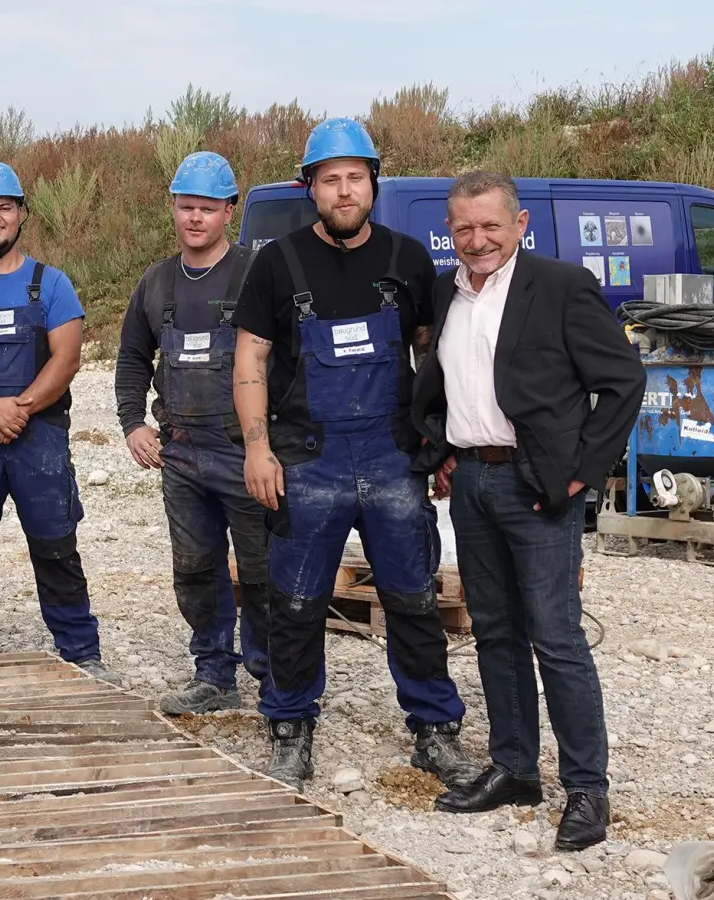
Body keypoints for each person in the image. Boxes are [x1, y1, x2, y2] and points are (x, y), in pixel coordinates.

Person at [231, 118, 478, 792]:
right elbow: (249, 359)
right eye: (330, 179)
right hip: (308, 459)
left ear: (372, 182)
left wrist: (442, 440)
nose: (344, 191)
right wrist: (257, 449)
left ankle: (433, 731)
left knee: (413, 601)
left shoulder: (406, 260)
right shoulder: (276, 263)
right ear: (310, 187)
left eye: (355, 178)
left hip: (394, 458)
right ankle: (289, 726)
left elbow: (433, 354)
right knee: (298, 601)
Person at [419, 170, 644, 851]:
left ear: (519, 225)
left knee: (557, 638)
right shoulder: (447, 290)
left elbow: (623, 381)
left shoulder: (561, 287)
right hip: (474, 485)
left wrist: (581, 472)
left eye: (490, 225)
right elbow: (438, 385)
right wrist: (441, 451)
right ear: (450, 232)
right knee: (493, 633)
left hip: (538, 487)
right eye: (464, 228)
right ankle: (515, 769)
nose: (477, 240)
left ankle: (586, 789)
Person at [0, 161, 121, 686]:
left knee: (56, 542)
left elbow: (67, 359)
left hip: (40, 437)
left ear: (21, 214)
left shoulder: (51, 285)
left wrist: (19, 410)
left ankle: (81, 650)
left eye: (4, 208)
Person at [114, 151, 268, 715]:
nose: (195, 218)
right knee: (196, 568)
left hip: (242, 452)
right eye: (186, 207)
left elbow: (289, 360)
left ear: (229, 210)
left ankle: (272, 675)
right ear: (173, 209)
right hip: (180, 454)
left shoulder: (256, 273)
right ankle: (213, 674)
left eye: (207, 208)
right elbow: (131, 357)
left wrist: (270, 444)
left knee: (260, 569)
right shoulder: (156, 282)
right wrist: (133, 423)